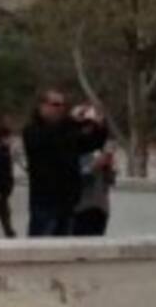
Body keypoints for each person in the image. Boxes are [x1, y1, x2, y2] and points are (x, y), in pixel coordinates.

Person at [23, 89, 107, 237]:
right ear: (41, 107)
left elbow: (90, 145)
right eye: (56, 104)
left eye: (63, 105)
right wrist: (71, 120)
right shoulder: (32, 131)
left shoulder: (67, 130)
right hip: (45, 203)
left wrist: (98, 126)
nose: (61, 109)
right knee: (42, 247)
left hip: (68, 203)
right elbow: (49, 140)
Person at [72, 110, 116, 237]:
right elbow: (73, 177)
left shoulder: (101, 150)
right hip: (80, 208)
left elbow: (110, 181)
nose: (91, 130)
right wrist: (93, 167)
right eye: (88, 126)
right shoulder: (74, 149)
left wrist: (109, 167)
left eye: (97, 126)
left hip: (100, 207)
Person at [0, 122, 15, 238]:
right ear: (2, 138)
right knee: (5, 216)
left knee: (5, 216)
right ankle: (10, 236)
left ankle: (10, 235)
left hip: (2, 192)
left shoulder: (4, 151)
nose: (12, 140)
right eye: (9, 137)